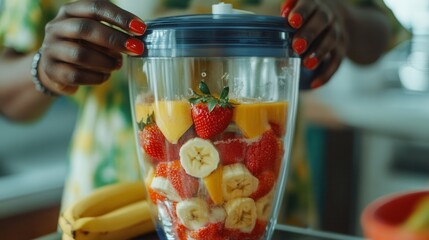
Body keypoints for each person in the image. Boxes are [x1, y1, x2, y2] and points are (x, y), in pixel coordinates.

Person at [0, 0, 409, 229]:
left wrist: (340, 18)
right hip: (113, 212)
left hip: (260, 200)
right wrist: (43, 66)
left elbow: (382, 28)